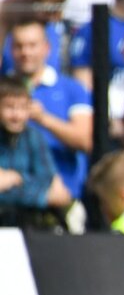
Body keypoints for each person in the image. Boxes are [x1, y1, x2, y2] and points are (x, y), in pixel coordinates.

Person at [8, 19, 92, 201]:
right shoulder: (3, 88)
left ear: (47, 48)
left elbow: (85, 140)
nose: (25, 52)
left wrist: (43, 118)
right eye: (19, 46)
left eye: (32, 45)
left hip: (63, 193)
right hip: (10, 193)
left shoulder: (72, 89)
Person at [0, 74, 71, 226]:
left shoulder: (34, 137)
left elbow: (46, 179)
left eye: (22, 108)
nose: (16, 115)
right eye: (9, 107)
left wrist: (16, 177)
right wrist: (42, 196)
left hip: (30, 221)